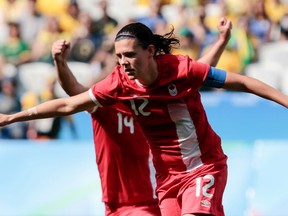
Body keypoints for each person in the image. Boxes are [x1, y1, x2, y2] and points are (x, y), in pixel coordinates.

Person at [1, 18, 287, 216]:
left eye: (130, 55)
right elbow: (68, 103)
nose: (124, 63)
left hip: (202, 167)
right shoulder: (117, 87)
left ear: (151, 51)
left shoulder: (179, 70)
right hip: (166, 181)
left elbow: (240, 81)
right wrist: (13, 117)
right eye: (119, 57)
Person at [51, 18, 232, 216]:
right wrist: (60, 62)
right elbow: (74, 94)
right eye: (119, 60)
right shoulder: (107, 106)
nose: (124, 67)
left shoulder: (155, 100)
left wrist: (221, 42)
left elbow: (196, 73)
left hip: (158, 197)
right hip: (121, 205)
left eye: (129, 57)